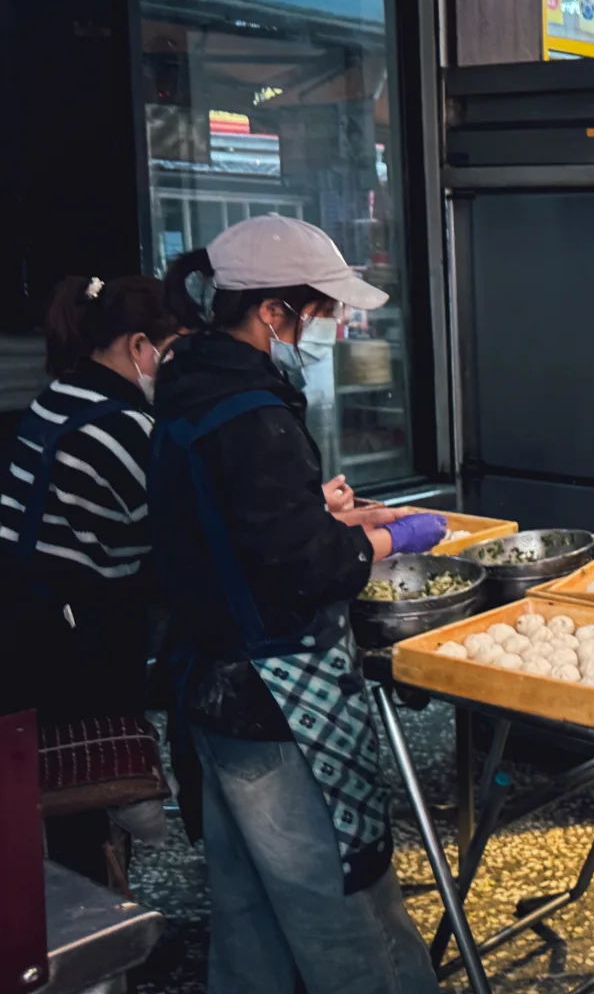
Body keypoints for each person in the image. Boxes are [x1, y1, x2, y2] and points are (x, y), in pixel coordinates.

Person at [150, 215, 445, 994]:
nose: (332, 328)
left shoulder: (191, 384)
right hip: (275, 696)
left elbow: (228, 526)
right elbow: (305, 568)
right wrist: (386, 540)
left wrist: (332, 516)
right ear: (274, 311)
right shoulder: (250, 413)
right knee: (338, 903)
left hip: (211, 685)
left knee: (248, 904)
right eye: (321, 311)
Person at [0, 275, 182, 884]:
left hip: (28, 616)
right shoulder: (127, 426)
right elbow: (177, 532)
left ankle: (76, 915)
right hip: (71, 634)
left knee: (49, 790)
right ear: (139, 346)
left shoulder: (62, 394)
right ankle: (98, 937)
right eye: (173, 347)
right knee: (85, 789)